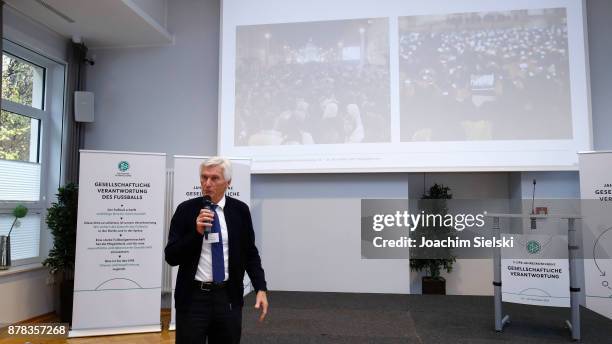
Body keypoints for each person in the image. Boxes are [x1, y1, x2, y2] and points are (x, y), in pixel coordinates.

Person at [165, 157, 268, 343]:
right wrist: (196, 233)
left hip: (227, 297)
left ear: (228, 182)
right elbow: (171, 256)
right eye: (204, 178)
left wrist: (260, 287)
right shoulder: (185, 210)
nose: (207, 184)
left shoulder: (240, 211)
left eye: (214, 178)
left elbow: (250, 253)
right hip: (193, 299)